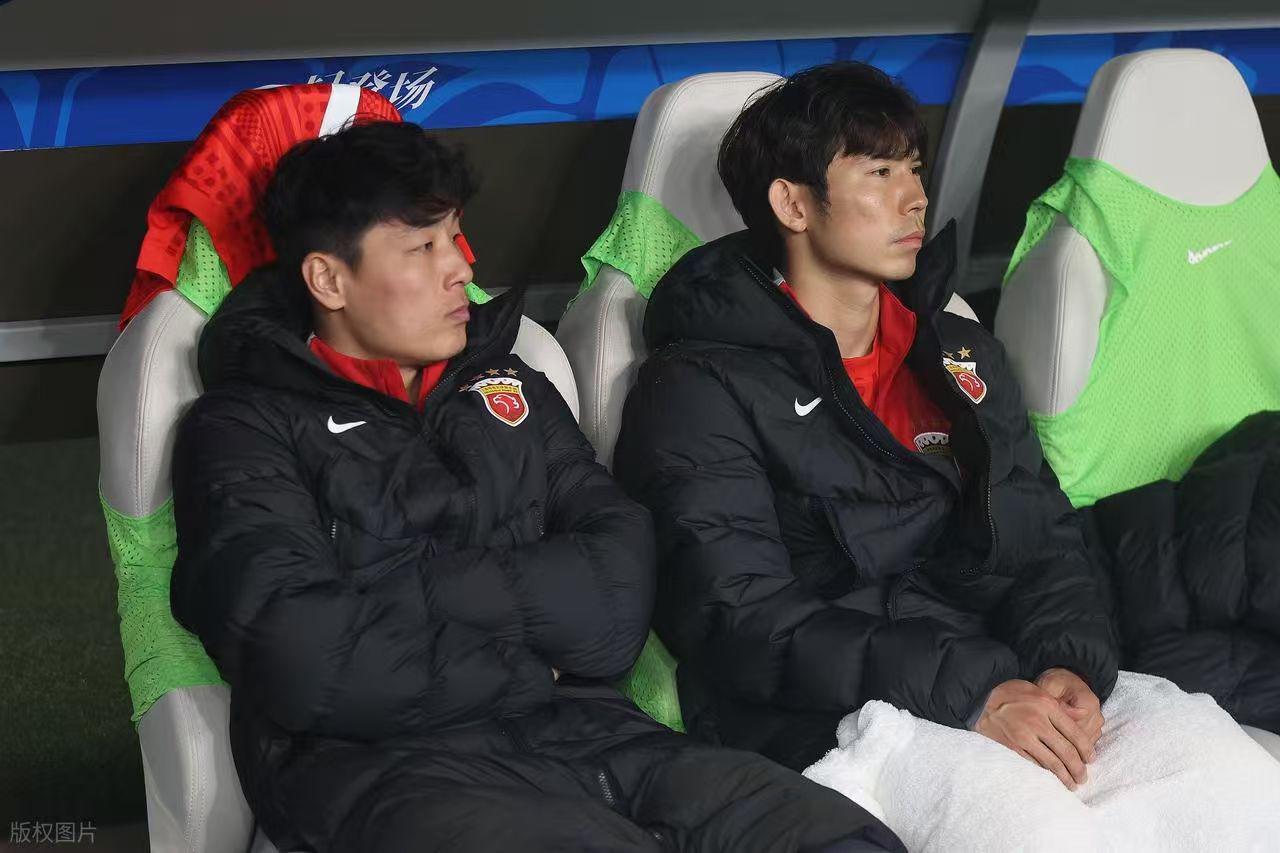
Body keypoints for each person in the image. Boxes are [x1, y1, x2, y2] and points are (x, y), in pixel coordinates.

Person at [168, 119, 903, 853]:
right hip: (379, 768)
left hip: (591, 734)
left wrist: (402, 599)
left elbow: (615, 598)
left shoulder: (509, 384)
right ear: (329, 279)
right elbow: (301, 656)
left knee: (837, 834)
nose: (461, 267)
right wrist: (526, 667)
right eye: (423, 247)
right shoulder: (243, 426)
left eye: (456, 236)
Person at [613, 61, 1124, 781]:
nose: (916, 199)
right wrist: (971, 693)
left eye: (914, 169)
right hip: (827, 725)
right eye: (880, 173)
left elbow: (1044, 533)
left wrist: (1067, 659)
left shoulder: (959, 350)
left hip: (1006, 688)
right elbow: (737, 615)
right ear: (793, 204)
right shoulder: (697, 386)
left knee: (1229, 786)